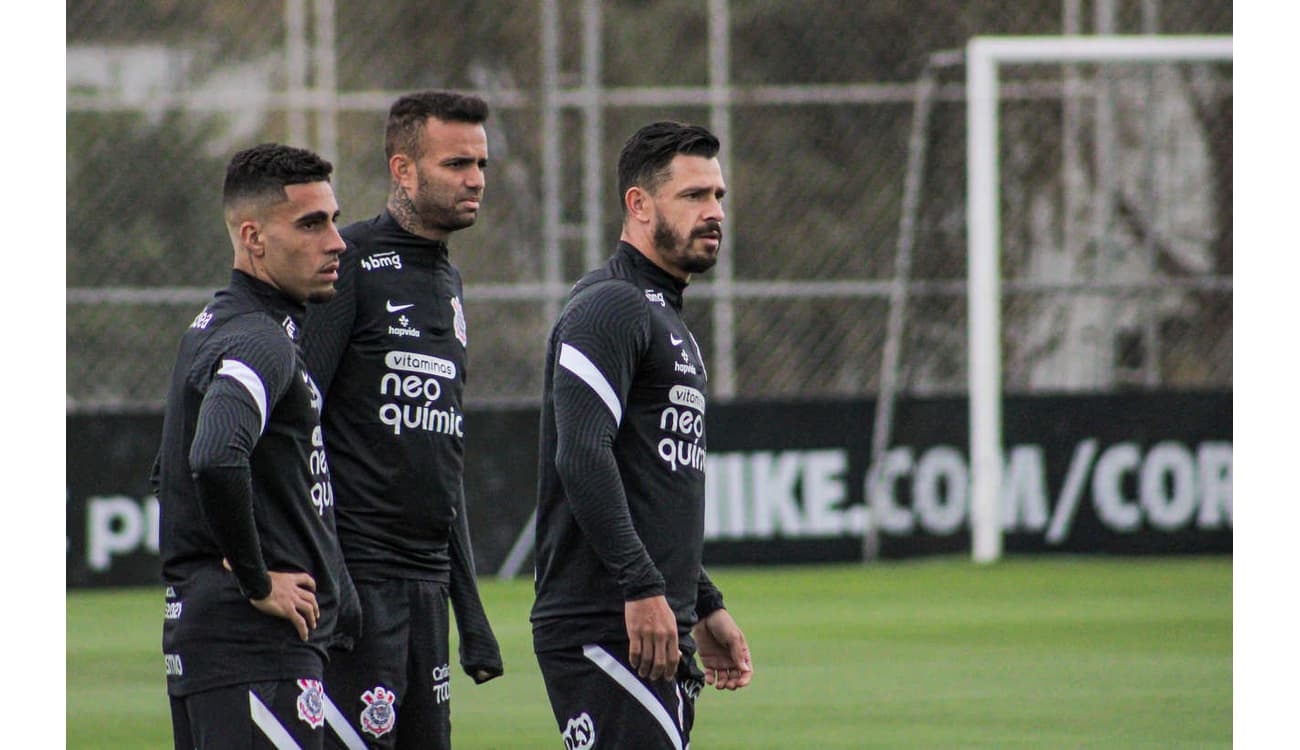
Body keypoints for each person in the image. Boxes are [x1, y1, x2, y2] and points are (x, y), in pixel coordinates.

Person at [531, 121, 754, 749]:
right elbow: (582, 454)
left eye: (718, 196)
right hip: (607, 619)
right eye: (693, 196)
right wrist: (643, 587)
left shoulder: (665, 316)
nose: (713, 213)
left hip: (656, 617)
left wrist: (702, 602)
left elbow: (652, 484)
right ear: (638, 204)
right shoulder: (612, 305)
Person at [301, 90, 503, 750]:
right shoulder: (349, 261)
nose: (474, 179)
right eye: (455, 164)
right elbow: (296, 420)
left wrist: (468, 611)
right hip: (359, 582)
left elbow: (441, 457)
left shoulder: (448, 281)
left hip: (425, 591)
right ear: (402, 170)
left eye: (480, 163)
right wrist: (331, 577)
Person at [154, 142, 361, 749]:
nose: (336, 242)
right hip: (254, 650)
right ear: (254, 237)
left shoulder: (212, 327)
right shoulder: (259, 340)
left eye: (335, 219)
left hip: (213, 642)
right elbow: (215, 456)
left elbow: (169, 471)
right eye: (310, 223)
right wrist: (255, 578)